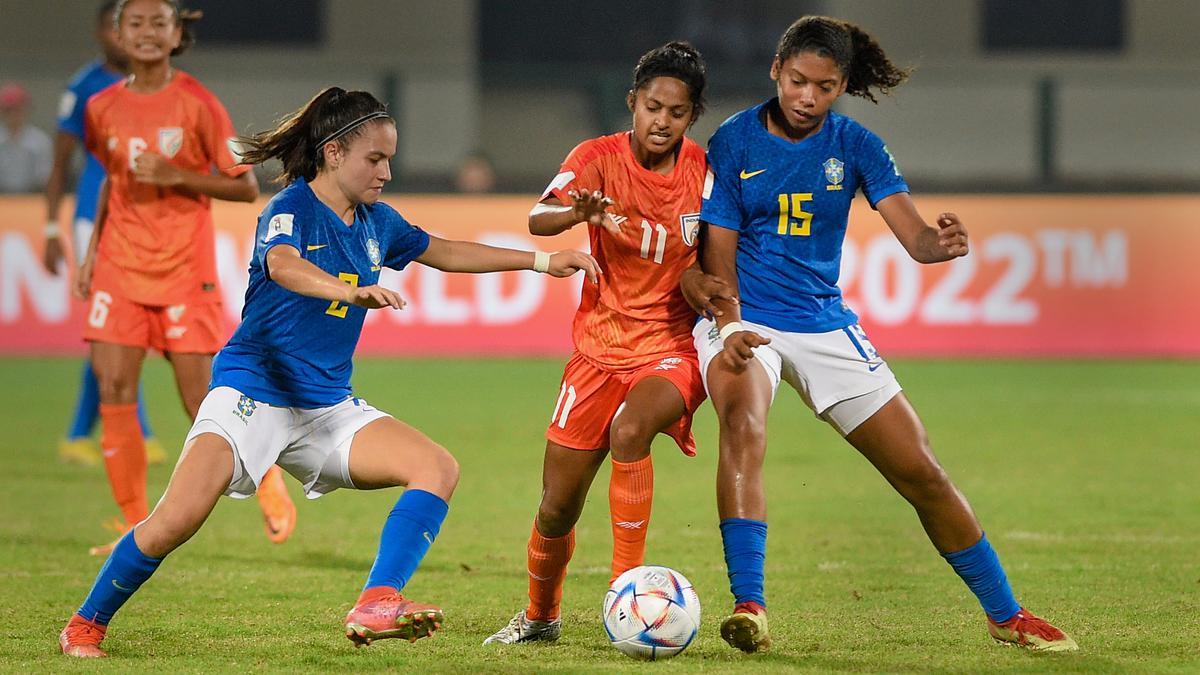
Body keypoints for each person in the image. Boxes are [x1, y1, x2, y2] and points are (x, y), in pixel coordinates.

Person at [58, 85, 600, 659]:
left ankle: (377, 601)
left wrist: (542, 261)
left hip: (324, 408)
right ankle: (86, 624)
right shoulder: (290, 209)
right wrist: (349, 289)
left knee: (436, 467)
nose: (386, 170)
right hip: (252, 393)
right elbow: (284, 266)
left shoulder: (377, 222)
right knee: (176, 520)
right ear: (334, 153)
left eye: (390, 157)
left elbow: (443, 250)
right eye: (375, 158)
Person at [683, 16, 1078, 654]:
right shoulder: (733, 141)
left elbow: (916, 238)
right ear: (776, 70)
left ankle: (1007, 615)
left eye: (825, 86)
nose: (807, 96)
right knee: (744, 423)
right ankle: (749, 605)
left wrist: (940, 245)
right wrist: (728, 324)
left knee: (922, 472)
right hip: (744, 316)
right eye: (797, 80)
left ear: (841, 86)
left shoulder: (857, 145)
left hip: (824, 326)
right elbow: (717, 250)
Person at [485, 42, 732, 645]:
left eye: (676, 112)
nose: (661, 121)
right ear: (632, 103)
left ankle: (626, 596)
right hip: (596, 353)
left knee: (630, 430)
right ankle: (540, 617)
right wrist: (579, 214)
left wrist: (703, 288)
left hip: (671, 347)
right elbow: (538, 219)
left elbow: (716, 258)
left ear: (691, 116)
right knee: (556, 508)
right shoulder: (595, 158)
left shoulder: (705, 173)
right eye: (652, 106)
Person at [72, 0, 295, 555]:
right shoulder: (101, 107)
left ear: (176, 36)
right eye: (136, 24)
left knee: (201, 400)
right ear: (118, 34)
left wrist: (175, 174)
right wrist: (90, 253)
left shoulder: (198, 105)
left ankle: (267, 479)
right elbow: (111, 180)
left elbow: (245, 188)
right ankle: (132, 524)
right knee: (114, 388)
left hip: (181, 269)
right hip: (120, 266)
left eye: (158, 24)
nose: (146, 34)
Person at [44, 1, 165, 468]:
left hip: (145, 220)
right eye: (122, 26)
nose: (127, 36)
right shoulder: (84, 88)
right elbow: (59, 165)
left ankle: (77, 434)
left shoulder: (160, 87)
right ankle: (140, 431)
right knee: (112, 327)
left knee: (116, 329)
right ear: (104, 32)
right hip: (93, 219)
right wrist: (52, 228)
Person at [0, 82, 52, 193]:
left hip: (31, 200)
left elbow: (44, 178)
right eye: (8, 110)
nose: (13, 115)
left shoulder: (40, 141)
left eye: (17, 109)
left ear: (26, 109)